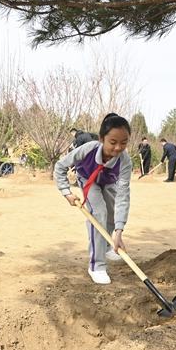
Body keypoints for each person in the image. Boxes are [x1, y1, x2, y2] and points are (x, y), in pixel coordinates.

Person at [55, 113, 133, 285]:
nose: (118, 148)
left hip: (109, 182)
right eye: (113, 142)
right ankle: (96, 265)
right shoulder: (88, 148)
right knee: (98, 214)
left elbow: (123, 196)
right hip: (88, 179)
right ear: (102, 139)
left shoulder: (125, 161)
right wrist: (66, 191)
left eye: (124, 143)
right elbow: (60, 166)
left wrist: (119, 232)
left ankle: (106, 245)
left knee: (112, 214)